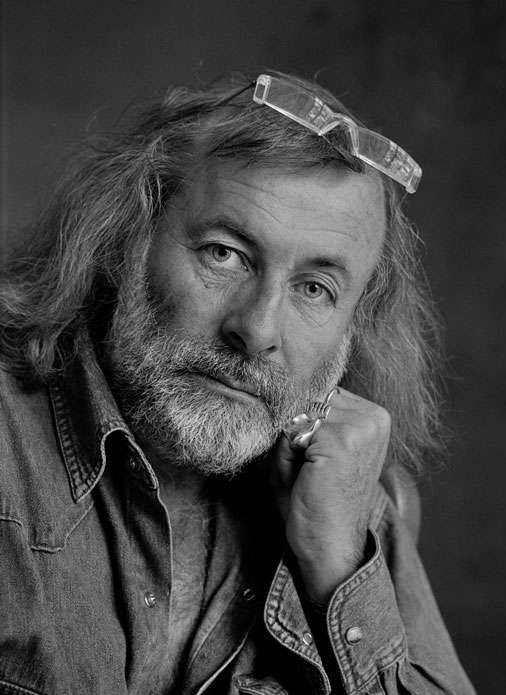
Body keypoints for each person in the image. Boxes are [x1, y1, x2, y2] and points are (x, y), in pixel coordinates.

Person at [0, 71, 475, 695]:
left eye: (315, 289)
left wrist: (337, 569)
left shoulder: (348, 496)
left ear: (353, 327)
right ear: (127, 238)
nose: (256, 329)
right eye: (224, 253)